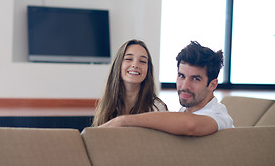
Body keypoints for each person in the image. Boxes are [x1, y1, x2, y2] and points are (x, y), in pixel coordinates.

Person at [98, 41, 234, 136]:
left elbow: (190, 126)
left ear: (213, 84)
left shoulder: (219, 116)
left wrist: (123, 121)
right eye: (181, 76)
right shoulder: (183, 112)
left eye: (195, 79)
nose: (185, 86)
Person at [92, 39, 168, 127]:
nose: (135, 65)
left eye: (142, 61)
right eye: (128, 59)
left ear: (148, 70)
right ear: (118, 65)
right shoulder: (106, 105)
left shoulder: (157, 108)